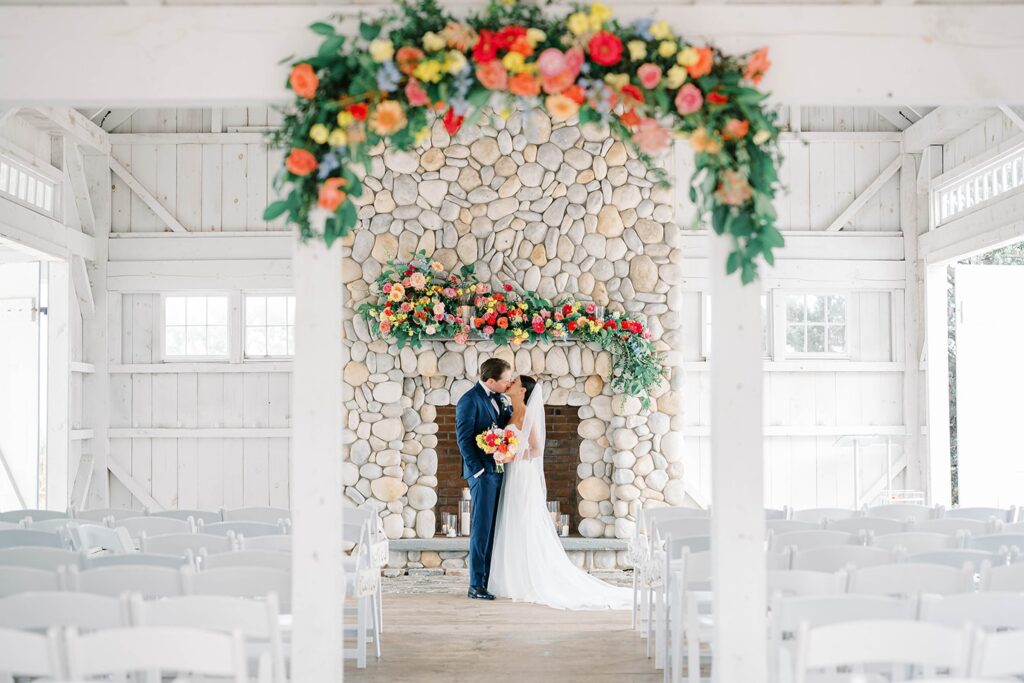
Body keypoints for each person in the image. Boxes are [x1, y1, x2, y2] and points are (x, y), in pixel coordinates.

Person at [489, 374, 632, 610]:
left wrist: (510, 455)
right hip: (512, 474)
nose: (509, 384)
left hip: (523, 475)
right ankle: (514, 577)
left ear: (523, 390)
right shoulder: (510, 413)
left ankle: (531, 578)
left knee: (525, 520)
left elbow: (536, 449)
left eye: (513, 382)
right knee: (513, 520)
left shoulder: (526, 413)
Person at [455, 357, 513, 601]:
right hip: (483, 475)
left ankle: (489, 580)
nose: (509, 383)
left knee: (493, 529)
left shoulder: (498, 398)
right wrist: (478, 471)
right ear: (491, 381)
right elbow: (464, 439)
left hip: (497, 469)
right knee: (481, 529)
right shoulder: (469, 401)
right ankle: (476, 585)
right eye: (506, 380)